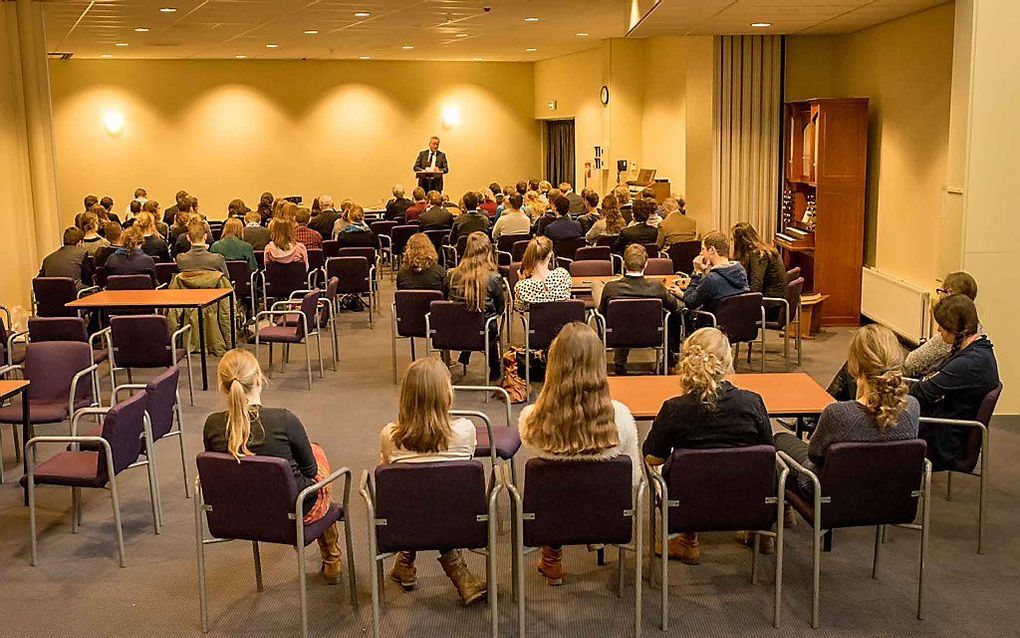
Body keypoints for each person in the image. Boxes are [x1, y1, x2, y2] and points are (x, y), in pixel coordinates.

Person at [204, 349, 346, 583]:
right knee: (316, 454)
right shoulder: (284, 420)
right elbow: (311, 473)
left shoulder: (212, 425)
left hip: (236, 514)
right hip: (291, 513)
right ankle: (332, 558)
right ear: (259, 378)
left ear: (222, 385)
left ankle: (332, 558)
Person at [518, 322, 641, 585]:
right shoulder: (620, 417)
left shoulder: (532, 420)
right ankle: (590, 536)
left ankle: (552, 554)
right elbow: (632, 480)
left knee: (556, 484)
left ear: (554, 362)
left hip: (554, 515)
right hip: (603, 516)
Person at [643, 327, 774, 563]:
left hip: (689, 501)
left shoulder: (674, 409)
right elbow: (767, 452)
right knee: (759, 461)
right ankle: (761, 532)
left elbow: (652, 456)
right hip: (745, 500)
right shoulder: (753, 402)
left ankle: (688, 540)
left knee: (673, 469)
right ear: (728, 361)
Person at [381, 357, 486, 604]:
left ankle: (404, 563)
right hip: (459, 522)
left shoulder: (389, 436)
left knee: (416, 493)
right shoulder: (466, 430)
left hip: (404, 524)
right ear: (446, 393)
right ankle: (460, 574)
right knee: (439, 492)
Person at [773, 323, 920, 495]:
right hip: (889, 491)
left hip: (831, 493)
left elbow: (814, 454)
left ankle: (781, 508)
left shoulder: (838, 413)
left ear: (855, 365)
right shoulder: (912, 407)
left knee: (779, 440)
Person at [911, 294, 999, 471]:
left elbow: (921, 391)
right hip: (947, 429)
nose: (938, 330)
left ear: (954, 328)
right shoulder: (979, 349)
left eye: (941, 326)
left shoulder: (970, 364)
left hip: (944, 442)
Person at [598, 244, 682, 375]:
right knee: (672, 316)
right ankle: (669, 362)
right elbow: (675, 306)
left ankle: (620, 363)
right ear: (646, 264)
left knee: (623, 319)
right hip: (653, 337)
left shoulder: (611, 287)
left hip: (618, 336)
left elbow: (602, 312)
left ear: (624, 264)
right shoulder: (657, 287)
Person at [443, 232, 504, 381]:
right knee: (488, 321)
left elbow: (445, 301)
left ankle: (465, 353)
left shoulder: (451, 275)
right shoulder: (494, 278)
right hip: (483, 334)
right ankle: (494, 369)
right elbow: (500, 309)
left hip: (454, 332)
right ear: (488, 251)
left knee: (470, 319)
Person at [905, 272, 979, 377]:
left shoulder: (950, 335)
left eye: (941, 291)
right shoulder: (975, 327)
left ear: (949, 293)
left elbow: (911, 362)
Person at [682, 231, 749, 314]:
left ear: (712, 250)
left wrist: (697, 272)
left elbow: (689, 302)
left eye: (703, 249)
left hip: (711, 324)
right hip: (738, 323)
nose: (700, 253)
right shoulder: (740, 270)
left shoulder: (711, 279)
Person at [731, 222, 787, 319]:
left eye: (733, 240)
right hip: (777, 303)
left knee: (728, 310)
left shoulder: (758, 255)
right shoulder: (765, 249)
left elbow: (756, 286)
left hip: (771, 307)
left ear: (740, 242)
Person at [513, 237, 571, 312]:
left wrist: (521, 282)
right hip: (564, 323)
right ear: (550, 255)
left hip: (538, 323)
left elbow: (520, 308)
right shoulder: (563, 275)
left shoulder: (523, 286)